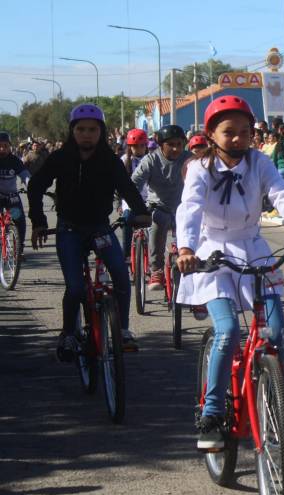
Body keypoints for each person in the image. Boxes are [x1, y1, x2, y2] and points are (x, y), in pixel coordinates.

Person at [174, 95, 284, 450]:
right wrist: (185, 249)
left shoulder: (259, 162)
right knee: (228, 330)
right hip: (211, 252)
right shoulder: (201, 168)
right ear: (211, 134)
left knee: (276, 332)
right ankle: (213, 411)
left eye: (245, 132)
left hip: (253, 249)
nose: (238, 139)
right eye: (229, 132)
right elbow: (190, 208)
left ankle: (268, 387)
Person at [28, 104, 151, 358]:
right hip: (69, 230)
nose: (86, 134)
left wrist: (141, 213)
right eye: (81, 129)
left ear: (101, 132)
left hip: (100, 229)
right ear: (72, 131)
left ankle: (124, 330)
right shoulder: (60, 158)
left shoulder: (109, 160)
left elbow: (127, 188)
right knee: (75, 288)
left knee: (120, 275)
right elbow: (36, 186)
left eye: (92, 130)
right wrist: (39, 220)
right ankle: (69, 335)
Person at [131, 124, 191, 291]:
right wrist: (135, 207)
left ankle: (193, 274)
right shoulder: (150, 160)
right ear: (161, 145)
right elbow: (134, 184)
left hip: (183, 208)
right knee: (158, 221)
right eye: (170, 144)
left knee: (195, 233)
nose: (175, 148)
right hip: (159, 207)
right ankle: (156, 269)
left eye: (179, 144)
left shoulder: (190, 159)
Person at [119, 128, 149, 261]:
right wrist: (118, 204)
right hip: (129, 201)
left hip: (148, 200)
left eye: (142, 146)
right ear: (130, 147)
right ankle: (126, 255)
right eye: (135, 146)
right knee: (126, 220)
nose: (138, 149)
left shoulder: (151, 159)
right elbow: (118, 184)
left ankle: (155, 259)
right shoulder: (124, 160)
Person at [0, 132, 30, 258]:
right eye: (0, 146)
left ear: (10, 146)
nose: (2, 149)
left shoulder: (15, 161)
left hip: (12, 198)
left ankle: (19, 248)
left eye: (5, 146)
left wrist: (31, 184)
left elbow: (25, 175)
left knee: (19, 220)